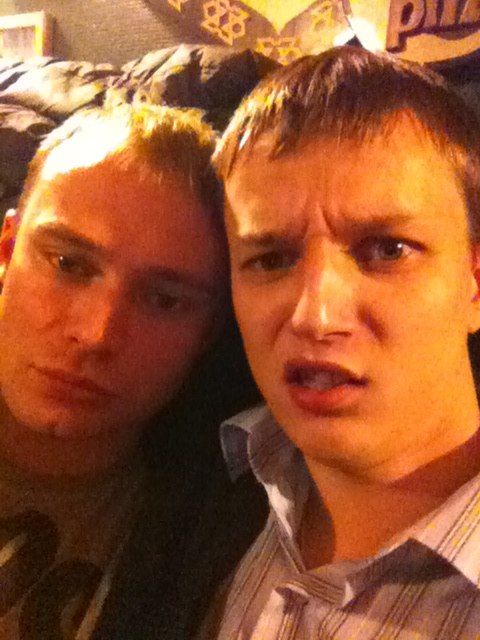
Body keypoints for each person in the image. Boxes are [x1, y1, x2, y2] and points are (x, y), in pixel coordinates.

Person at [205, 46, 480, 637]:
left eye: (387, 249)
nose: (316, 317)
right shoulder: (210, 492)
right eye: (271, 259)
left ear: (475, 282)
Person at [0, 100, 257, 639]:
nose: (97, 334)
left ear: (208, 331)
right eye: (69, 264)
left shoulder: (204, 544)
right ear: (6, 251)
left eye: (164, 300)